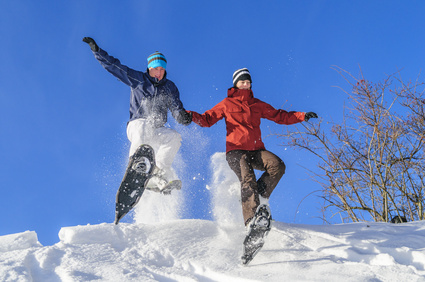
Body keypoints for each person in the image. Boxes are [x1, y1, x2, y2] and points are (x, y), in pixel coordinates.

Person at [188, 68, 318, 229]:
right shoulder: (226, 104)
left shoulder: (257, 104)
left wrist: (302, 116)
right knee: (247, 179)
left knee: (277, 165)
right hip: (236, 152)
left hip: (256, 151)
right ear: (236, 84)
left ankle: (259, 198)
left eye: (248, 82)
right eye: (242, 82)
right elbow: (207, 119)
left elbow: (279, 115)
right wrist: (190, 116)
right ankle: (251, 222)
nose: (246, 85)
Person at [83, 37, 192, 191]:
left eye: (162, 69)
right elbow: (115, 67)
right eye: (156, 69)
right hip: (137, 126)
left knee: (174, 137)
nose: (159, 73)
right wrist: (97, 52)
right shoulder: (139, 79)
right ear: (149, 68)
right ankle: (136, 166)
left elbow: (176, 106)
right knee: (143, 125)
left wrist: (181, 115)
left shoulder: (169, 87)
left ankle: (157, 172)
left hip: (155, 130)